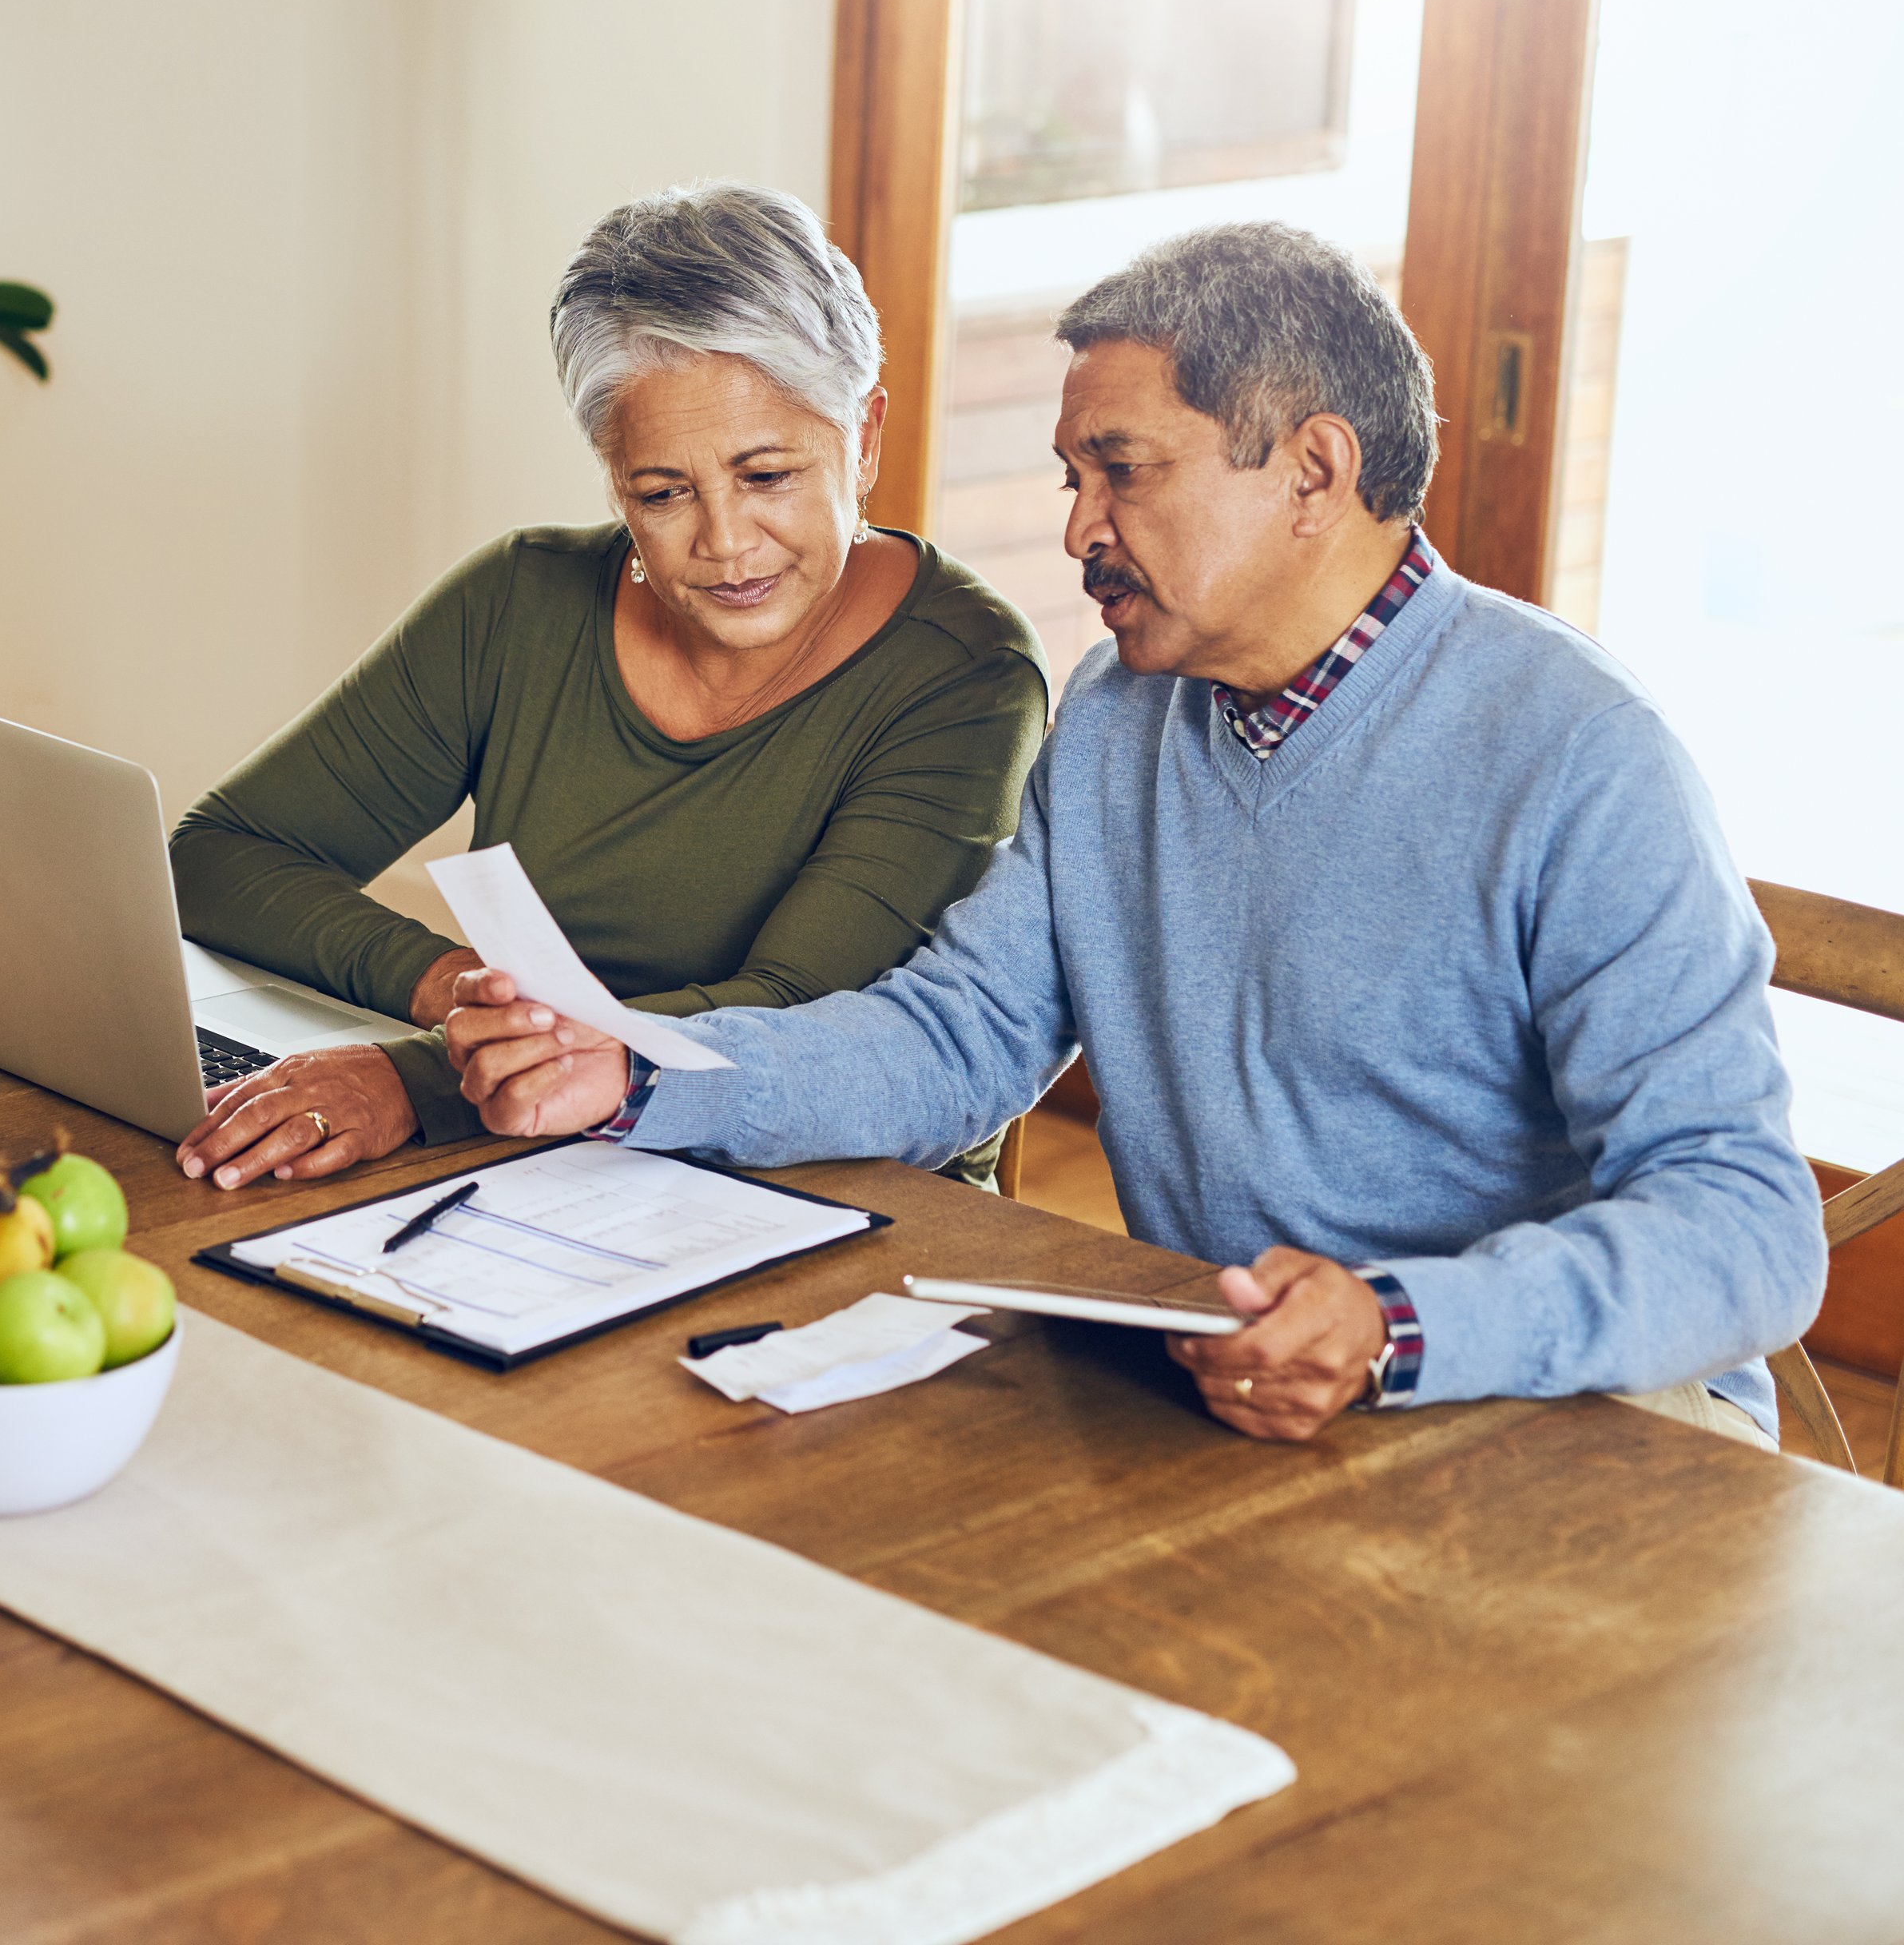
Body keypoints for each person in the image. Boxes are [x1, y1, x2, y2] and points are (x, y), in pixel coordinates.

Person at [442, 221, 1826, 1447]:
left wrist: (1398, 1325)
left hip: (1581, 1430)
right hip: (1248, 1405)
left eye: (1122, 471)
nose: (1077, 529)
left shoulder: (1579, 753)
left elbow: (1748, 1229)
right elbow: (958, 1036)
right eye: (1070, 477)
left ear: (1314, 469)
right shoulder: (1118, 714)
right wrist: (636, 1071)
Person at [168, 183, 1048, 1189]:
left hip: (822, 1194)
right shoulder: (521, 601)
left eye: (768, 477)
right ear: (611, 474)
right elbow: (220, 857)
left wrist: (419, 1083)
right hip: (541, 1166)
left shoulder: (965, 673)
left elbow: (798, 1013)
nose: (724, 544)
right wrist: (459, 995)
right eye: (662, 493)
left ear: (866, 438)